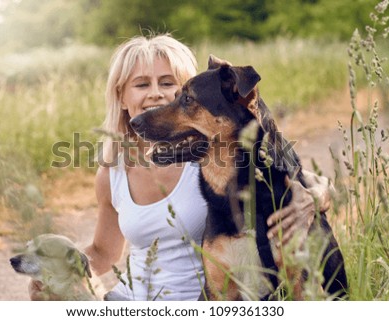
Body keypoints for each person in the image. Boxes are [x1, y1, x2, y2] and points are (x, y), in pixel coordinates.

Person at [30, 33, 331, 301]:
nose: (156, 94)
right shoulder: (112, 173)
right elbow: (103, 253)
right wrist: (57, 273)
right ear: (121, 96)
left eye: (168, 83)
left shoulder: (215, 155)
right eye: (141, 84)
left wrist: (314, 196)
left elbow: (302, 177)